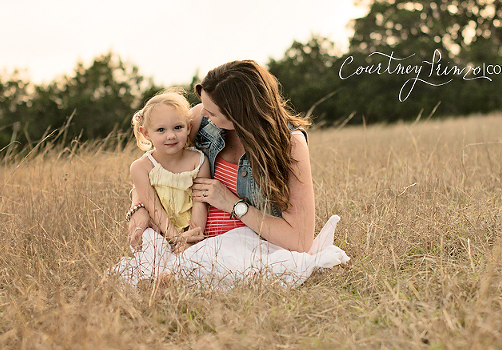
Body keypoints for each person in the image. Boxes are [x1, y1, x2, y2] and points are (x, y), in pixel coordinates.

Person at [117, 60, 348, 288]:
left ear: (239, 113)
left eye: (212, 111)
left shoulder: (289, 145)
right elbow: (159, 166)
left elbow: (299, 240)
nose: (202, 114)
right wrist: (139, 208)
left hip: (247, 246)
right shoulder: (203, 120)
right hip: (192, 243)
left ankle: (180, 277)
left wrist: (232, 203)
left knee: (253, 268)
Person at [114, 90, 210, 284]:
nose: (171, 136)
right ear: (145, 133)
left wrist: (191, 236)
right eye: (161, 130)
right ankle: (149, 280)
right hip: (158, 228)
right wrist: (175, 238)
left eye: (178, 127)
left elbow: (200, 202)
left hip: (190, 231)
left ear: (189, 127)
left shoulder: (198, 160)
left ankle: (172, 277)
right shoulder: (141, 167)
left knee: (198, 257)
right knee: (151, 247)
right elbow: (153, 207)